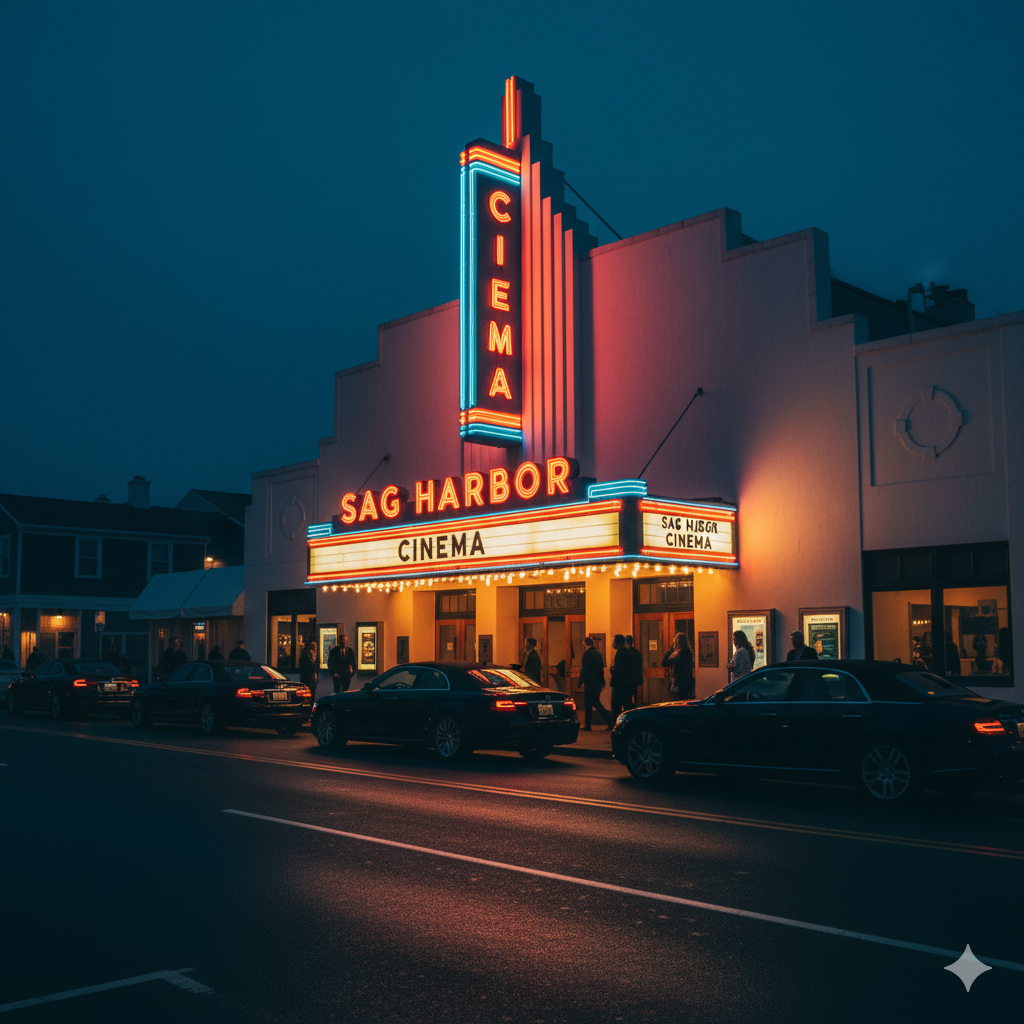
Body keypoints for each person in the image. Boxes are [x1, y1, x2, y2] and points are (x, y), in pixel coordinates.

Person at [578, 636, 613, 730]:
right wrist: (602, 682)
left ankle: (590, 724)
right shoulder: (598, 654)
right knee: (595, 702)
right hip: (597, 682)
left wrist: (580, 682)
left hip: (589, 682)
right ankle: (608, 721)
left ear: (586, 644)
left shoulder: (587, 654)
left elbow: (584, 669)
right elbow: (600, 669)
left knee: (589, 703)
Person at [662, 632, 695, 699]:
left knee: (678, 698)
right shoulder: (686, 652)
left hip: (680, 680)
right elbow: (664, 663)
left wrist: (674, 656)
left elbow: (680, 664)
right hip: (683, 681)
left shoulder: (685, 652)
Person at [610, 634, 633, 719]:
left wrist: (613, 672)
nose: (612, 643)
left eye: (613, 640)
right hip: (624, 683)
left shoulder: (620, 652)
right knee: (625, 703)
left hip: (619, 684)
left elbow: (619, 669)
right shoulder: (626, 652)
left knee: (616, 705)